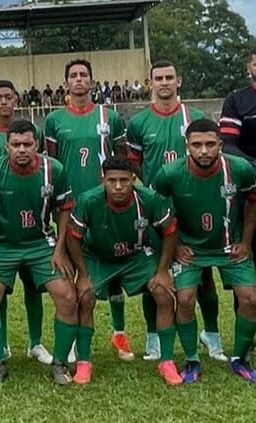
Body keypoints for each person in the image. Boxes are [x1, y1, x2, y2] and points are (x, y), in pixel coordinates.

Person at [126, 61, 222, 362]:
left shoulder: (193, 117)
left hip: (192, 205)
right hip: (156, 207)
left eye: (169, 77)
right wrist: (154, 189)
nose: (164, 83)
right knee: (153, 274)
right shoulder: (139, 122)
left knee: (202, 272)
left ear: (178, 81)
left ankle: (212, 334)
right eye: (158, 78)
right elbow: (135, 162)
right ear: (150, 83)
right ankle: (154, 338)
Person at [0, 119, 77, 385]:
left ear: (37, 145)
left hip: (41, 244)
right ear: (7, 146)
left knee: (66, 296)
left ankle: (60, 363)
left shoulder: (53, 169)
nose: (22, 149)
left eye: (27, 144)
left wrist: (61, 249)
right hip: (2, 245)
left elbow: (65, 208)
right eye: (16, 144)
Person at [154, 119, 256, 383]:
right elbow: (158, 210)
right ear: (186, 145)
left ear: (221, 145)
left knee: (250, 299)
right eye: (197, 144)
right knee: (185, 299)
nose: (204, 151)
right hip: (190, 249)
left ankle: (240, 358)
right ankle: (191, 359)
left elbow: (252, 204)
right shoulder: (170, 173)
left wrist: (245, 242)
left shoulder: (241, 169)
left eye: (210, 144)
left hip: (228, 246)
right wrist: (175, 246)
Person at [45, 59, 132, 361]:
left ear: (92, 82)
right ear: (66, 83)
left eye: (84, 75)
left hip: (108, 205)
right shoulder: (54, 120)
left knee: (115, 264)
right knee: (71, 271)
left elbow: (122, 160)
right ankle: (70, 340)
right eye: (73, 76)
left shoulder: (111, 118)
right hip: (69, 207)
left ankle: (119, 334)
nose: (79, 80)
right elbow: (52, 165)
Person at [67, 157, 182, 385]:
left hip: (135, 254)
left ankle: (166, 361)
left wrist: (162, 271)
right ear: (103, 180)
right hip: (98, 256)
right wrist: (82, 274)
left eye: (123, 180)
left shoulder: (149, 199)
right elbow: (74, 238)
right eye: (112, 181)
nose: (118, 186)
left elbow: (170, 231)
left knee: (164, 293)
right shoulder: (88, 200)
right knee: (85, 296)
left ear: (133, 179)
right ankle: (84, 363)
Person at [0, 81, 52, 366]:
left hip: (30, 220)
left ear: (16, 99)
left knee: (33, 284)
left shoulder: (33, 130)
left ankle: (36, 342)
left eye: (8, 97)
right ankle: (0, 344)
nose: (4, 102)